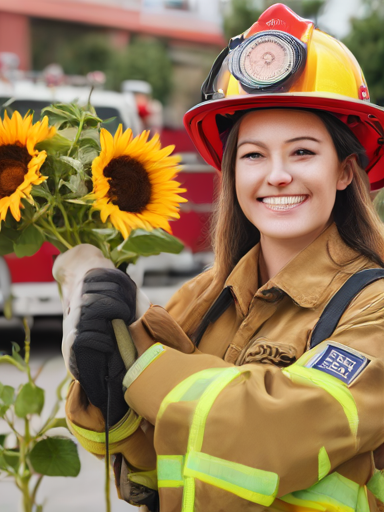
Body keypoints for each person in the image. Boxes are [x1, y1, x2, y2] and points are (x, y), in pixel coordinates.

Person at [59, 4, 384, 511]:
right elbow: (152, 467)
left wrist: (139, 362)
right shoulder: (204, 298)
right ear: (232, 174)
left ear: (344, 172)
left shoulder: (374, 307)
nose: (276, 175)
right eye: (253, 155)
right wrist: (105, 384)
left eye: (302, 152)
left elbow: (272, 431)